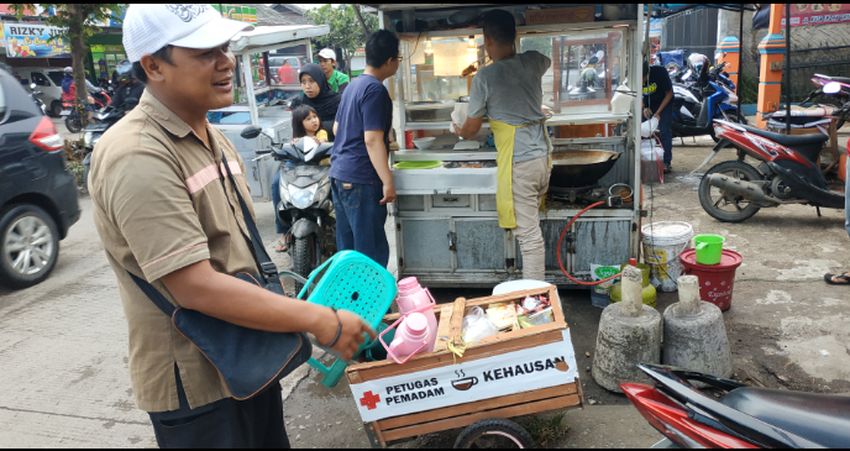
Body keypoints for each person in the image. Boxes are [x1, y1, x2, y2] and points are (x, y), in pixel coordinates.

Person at [88, 4, 373, 448]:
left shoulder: (212, 136)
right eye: (204, 52)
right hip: (197, 386)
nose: (226, 61)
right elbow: (194, 286)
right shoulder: (137, 154)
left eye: (224, 47)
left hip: (249, 362)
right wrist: (320, 320)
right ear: (153, 66)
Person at [454, 9, 552, 282]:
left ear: (487, 40)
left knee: (529, 238)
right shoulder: (533, 60)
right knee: (532, 227)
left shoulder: (484, 78)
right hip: (543, 158)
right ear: (516, 35)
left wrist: (459, 130)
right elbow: (545, 62)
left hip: (520, 162)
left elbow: (471, 129)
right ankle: (533, 291)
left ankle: (534, 296)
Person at [329, 30, 400, 268]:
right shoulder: (376, 90)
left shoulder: (353, 85)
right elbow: (372, 139)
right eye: (398, 59)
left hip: (340, 174)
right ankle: (372, 294)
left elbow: (337, 128)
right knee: (370, 254)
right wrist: (387, 181)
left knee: (349, 252)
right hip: (361, 179)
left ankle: (350, 293)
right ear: (389, 61)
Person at [272, 105, 329, 252]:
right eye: (308, 119)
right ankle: (283, 232)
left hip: (319, 168)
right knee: (276, 182)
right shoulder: (295, 139)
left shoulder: (321, 134)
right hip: (296, 168)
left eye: (315, 117)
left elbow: (323, 141)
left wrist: (319, 142)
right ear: (299, 123)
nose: (314, 121)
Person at [289, 63, 340, 141]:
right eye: (303, 82)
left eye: (311, 81)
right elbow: (296, 130)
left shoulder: (337, 101)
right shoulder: (299, 103)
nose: (307, 86)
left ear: (320, 81)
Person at [642, 60, 674, 173]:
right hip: (649, 106)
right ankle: (646, 159)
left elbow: (669, 93)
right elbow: (638, 95)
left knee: (664, 130)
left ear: (647, 73)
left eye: (643, 78)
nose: (641, 81)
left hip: (664, 104)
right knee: (642, 130)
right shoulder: (635, 78)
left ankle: (666, 161)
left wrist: (658, 113)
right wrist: (644, 107)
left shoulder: (660, 72)